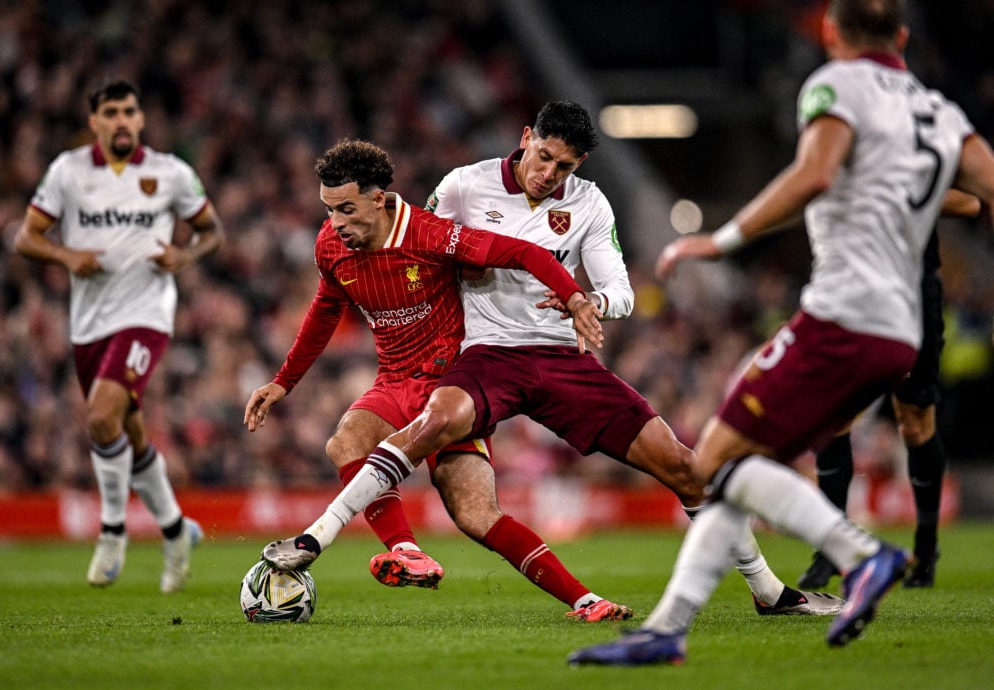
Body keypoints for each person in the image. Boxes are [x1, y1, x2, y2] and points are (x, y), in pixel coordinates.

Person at [259, 101, 842, 620]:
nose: (548, 173)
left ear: (578, 165)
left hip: (562, 358)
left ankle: (769, 591)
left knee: (685, 467)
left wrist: (593, 301)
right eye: (542, 156)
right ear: (524, 136)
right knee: (432, 421)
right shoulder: (464, 185)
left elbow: (622, 291)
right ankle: (321, 538)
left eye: (564, 166)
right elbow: (426, 246)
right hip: (485, 355)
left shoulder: (590, 205)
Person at [568, 0, 994, 666]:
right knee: (736, 466)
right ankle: (667, 631)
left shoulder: (836, 85)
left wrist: (723, 239)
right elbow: (988, 190)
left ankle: (863, 556)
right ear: (904, 36)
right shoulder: (940, 113)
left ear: (829, 29)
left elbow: (815, 172)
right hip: (902, 327)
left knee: (712, 461)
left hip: (842, 315)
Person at [243, 138, 618, 612]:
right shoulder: (330, 246)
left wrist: (576, 297)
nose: (335, 223)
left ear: (378, 199)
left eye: (346, 209)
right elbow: (325, 307)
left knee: (477, 515)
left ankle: (585, 600)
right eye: (329, 209)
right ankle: (406, 551)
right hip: (393, 381)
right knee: (345, 441)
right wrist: (283, 381)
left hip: (449, 387)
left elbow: (527, 254)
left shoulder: (431, 234)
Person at [13, 78, 223, 592]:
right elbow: (27, 237)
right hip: (89, 322)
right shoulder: (68, 171)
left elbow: (211, 232)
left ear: (141, 118)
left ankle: (112, 530)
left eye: (130, 111)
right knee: (125, 428)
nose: (122, 120)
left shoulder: (169, 172)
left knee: (102, 413)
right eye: (111, 113)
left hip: (147, 313)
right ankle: (175, 530)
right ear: (95, 122)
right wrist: (67, 257)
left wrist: (183, 256)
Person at [800, 189, 985, 590]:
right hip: (853, 291)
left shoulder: (923, 139)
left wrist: (890, 193)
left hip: (913, 294)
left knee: (915, 423)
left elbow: (970, 202)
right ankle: (831, 550)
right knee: (835, 417)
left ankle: (926, 544)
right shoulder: (843, 140)